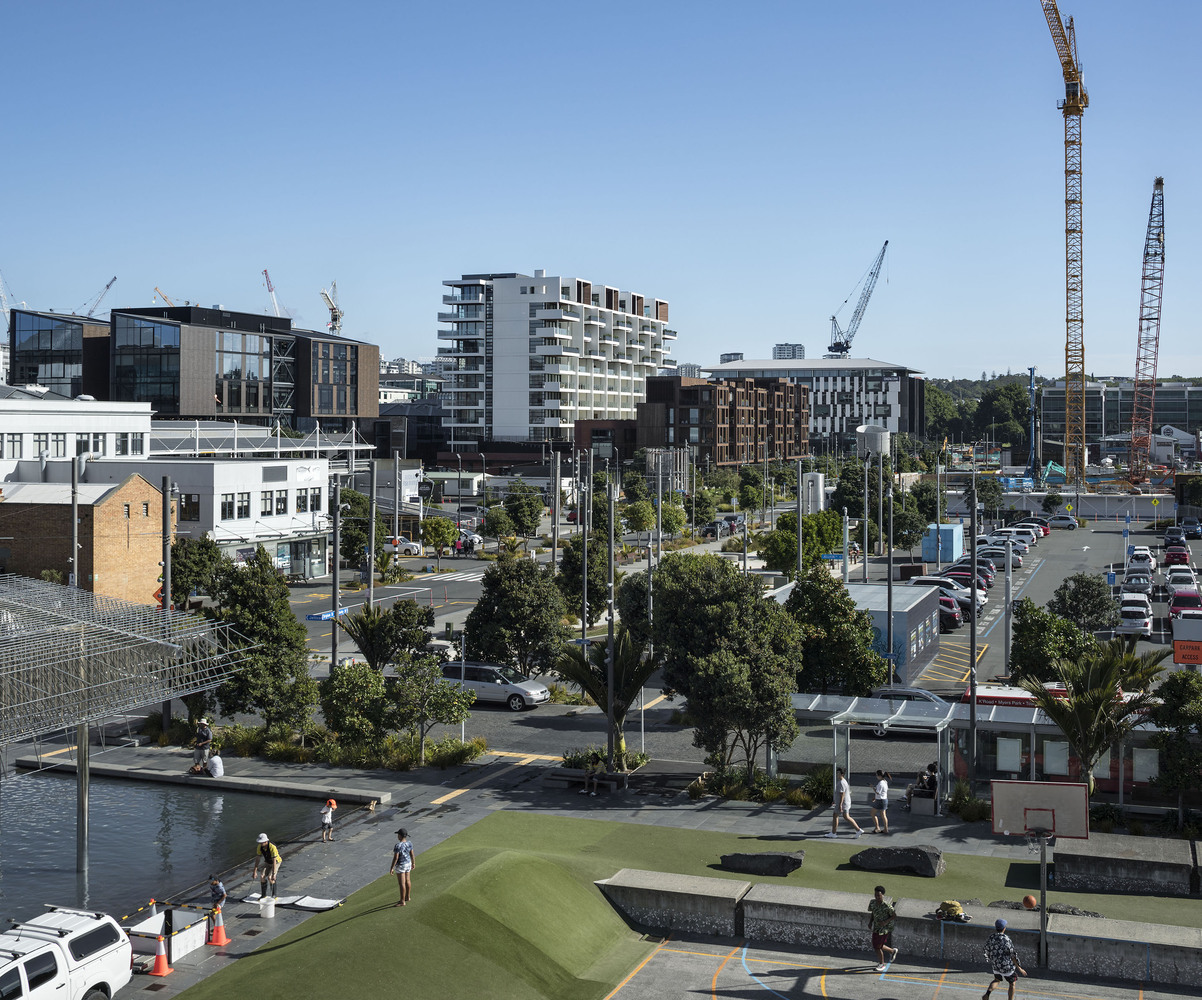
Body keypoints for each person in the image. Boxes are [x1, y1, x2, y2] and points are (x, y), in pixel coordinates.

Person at [983, 918, 1026, 1000]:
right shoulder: (1006, 939)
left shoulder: (991, 937)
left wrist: (991, 959)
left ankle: (987, 994)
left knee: (997, 980)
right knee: (1012, 983)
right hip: (1006, 966)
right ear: (1004, 928)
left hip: (996, 965)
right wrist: (1019, 968)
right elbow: (1012, 955)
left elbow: (986, 949)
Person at [866, 885, 900, 972]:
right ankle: (892, 951)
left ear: (883, 895)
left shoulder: (887, 906)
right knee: (877, 945)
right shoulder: (872, 903)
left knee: (877, 947)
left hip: (884, 928)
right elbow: (873, 912)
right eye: (876, 895)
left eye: (879, 895)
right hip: (876, 927)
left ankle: (881, 964)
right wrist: (870, 922)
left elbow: (894, 915)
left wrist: (885, 922)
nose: (877, 897)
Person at [825, 767, 863, 839]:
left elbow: (842, 794)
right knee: (845, 817)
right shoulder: (843, 781)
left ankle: (833, 833)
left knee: (836, 815)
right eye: (837, 773)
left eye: (838, 773)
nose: (837, 774)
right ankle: (858, 830)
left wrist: (839, 805)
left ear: (842, 774)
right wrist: (835, 801)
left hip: (843, 803)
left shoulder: (842, 783)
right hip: (844, 803)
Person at [389, 828, 415, 906]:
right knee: (408, 880)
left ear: (400, 836)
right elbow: (412, 854)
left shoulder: (398, 845)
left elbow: (396, 858)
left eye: (398, 835)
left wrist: (392, 868)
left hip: (401, 865)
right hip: (408, 863)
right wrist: (413, 863)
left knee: (402, 883)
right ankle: (408, 897)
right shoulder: (410, 843)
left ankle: (402, 901)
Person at [253, 833, 282, 899]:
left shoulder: (272, 847)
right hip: (267, 862)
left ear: (266, 841)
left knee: (270, 877)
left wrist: (273, 874)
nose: (261, 844)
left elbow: (274, 861)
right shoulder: (260, 847)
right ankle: (263, 895)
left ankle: (274, 895)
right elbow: (258, 858)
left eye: (262, 843)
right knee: (262, 876)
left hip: (276, 862)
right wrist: (254, 871)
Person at [871, 769, 891, 834]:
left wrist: (872, 787)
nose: (876, 776)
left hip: (880, 801)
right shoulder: (885, 782)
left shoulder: (880, 783)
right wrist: (875, 797)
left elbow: (878, 792)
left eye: (877, 775)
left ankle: (877, 828)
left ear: (879, 776)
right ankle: (886, 829)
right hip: (884, 800)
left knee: (872, 813)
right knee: (883, 815)